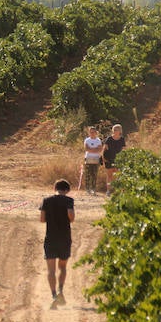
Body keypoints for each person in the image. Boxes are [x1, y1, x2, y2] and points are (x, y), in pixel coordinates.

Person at [39, 179, 75, 308]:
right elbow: (71, 217)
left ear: (55, 188)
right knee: (63, 267)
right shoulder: (69, 201)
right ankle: (60, 290)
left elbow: (42, 220)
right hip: (64, 238)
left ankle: (53, 294)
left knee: (51, 270)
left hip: (50, 238)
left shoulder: (46, 201)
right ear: (67, 190)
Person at [102, 124, 126, 193]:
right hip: (109, 159)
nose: (115, 131)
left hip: (118, 160)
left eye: (117, 129)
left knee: (119, 175)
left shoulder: (122, 139)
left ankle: (119, 191)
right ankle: (108, 190)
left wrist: (123, 159)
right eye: (114, 129)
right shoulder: (109, 139)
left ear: (120, 131)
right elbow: (104, 149)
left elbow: (124, 149)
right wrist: (103, 158)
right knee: (109, 176)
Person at [82, 126, 104, 195]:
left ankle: (93, 189)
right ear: (89, 133)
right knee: (88, 174)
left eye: (93, 132)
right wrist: (95, 149)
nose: (92, 133)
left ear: (96, 133)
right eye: (91, 132)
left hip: (96, 159)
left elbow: (100, 149)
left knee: (94, 174)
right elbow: (86, 149)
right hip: (88, 158)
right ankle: (87, 189)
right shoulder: (87, 140)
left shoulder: (98, 140)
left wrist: (91, 149)